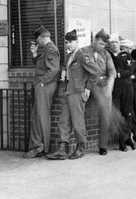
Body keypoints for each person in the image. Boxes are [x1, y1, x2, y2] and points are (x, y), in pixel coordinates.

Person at [46, 30, 97, 160]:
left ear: (76, 42)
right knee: (63, 121)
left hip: (77, 92)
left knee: (77, 121)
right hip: (68, 92)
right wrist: (63, 71)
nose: (67, 45)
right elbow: (65, 65)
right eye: (66, 42)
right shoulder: (69, 56)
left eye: (70, 42)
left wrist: (88, 88)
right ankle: (62, 149)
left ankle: (80, 147)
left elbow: (95, 71)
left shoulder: (82, 55)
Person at [24, 26, 60, 158]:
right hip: (44, 84)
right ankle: (38, 145)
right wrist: (34, 54)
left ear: (40, 37)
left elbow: (53, 69)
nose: (36, 42)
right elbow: (42, 65)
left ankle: (40, 146)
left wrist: (42, 82)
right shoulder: (46, 49)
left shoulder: (50, 48)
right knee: (38, 114)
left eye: (37, 39)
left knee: (41, 115)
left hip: (45, 85)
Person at [81, 29, 116, 155]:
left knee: (105, 113)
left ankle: (103, 145)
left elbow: (112, 72)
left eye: (104, 45)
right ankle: (80, 145)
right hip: (90, 84)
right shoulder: (84, 51)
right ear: (95, 40)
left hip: (104, 84)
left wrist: (109, 88)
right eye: (101, 44)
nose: (102, 47)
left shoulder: (106, 54)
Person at [108, 33, 136, 151]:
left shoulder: (125, 55)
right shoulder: (107, 55)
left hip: (127, 87)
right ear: (109, 44)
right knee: (118, 116)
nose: (114, 44)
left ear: (119, 44)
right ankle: (124, 140)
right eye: (112, 42)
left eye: (116, 42)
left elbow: (129, 70)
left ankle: (125, 139)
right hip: (115, 89)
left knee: (127, 114)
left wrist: (117, 74)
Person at [120, 39, 136, 145]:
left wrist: (133, 76)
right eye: (126, 48)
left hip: (135, 89)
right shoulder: (119, 61)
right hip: (124, 90)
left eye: (130, 48)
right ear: (122, 49)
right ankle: (127, 138)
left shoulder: (134, 62)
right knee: (129, 115)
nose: (129, 51)